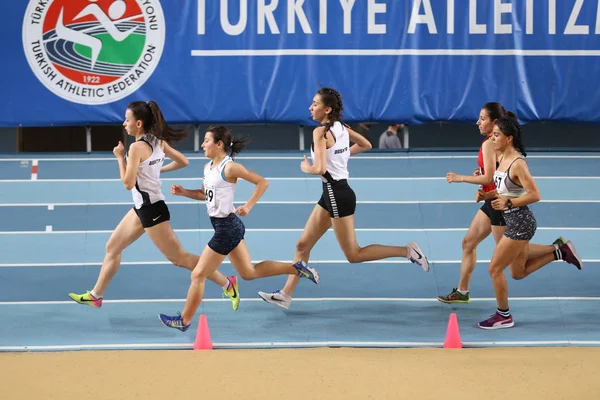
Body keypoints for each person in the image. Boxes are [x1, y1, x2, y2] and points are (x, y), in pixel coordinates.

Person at [257, 87, 430, 310]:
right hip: (331, 194)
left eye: (315, 104)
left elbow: (319, 167)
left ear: (327, 109)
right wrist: (342, 153)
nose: (310, 107)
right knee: (302, 244)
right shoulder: (341, 127)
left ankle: (407, 251)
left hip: (337, 195)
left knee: (354, 254)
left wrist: (306, 168)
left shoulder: (319, 132)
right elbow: (367, 144)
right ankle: (285, 295)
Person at [68, 101, 239, 311]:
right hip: (142, 208)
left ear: (138, 123)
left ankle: (227, 283)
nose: (124, 124)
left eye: (127, 120)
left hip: (152, 211)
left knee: (180, 258)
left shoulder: (136, 148)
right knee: (112, 247)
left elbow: (127, 183)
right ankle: (96, 295)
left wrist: (120, 158)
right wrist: (156, 170)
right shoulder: (158, 142)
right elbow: (183, 161)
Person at [158, 126, 319, 331]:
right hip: (227, 226)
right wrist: (184, 192)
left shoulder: (230, 167)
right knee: (249, 273)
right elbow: (204, 194)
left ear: (219, 144)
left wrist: (248, 205)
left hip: (226, 228)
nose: (202, 145)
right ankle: (296, 268)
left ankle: (185, 320)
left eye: (206, 140)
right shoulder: (208, 167)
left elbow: (262, 182)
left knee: (198, 275)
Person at [438, 102, 579, 304]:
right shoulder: (494, 143)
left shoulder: (492, 144)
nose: (478, 122)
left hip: (500, 205)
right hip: (492, 201)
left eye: (483, 119)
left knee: (511, 259)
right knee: (469, 243)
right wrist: (483, 175)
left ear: (496, 123)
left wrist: (462, 177)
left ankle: (557, 250)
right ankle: (462, 290)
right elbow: (493, 174)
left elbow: (491, 178)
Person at [478, 112, 582, 329]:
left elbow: (535, 194)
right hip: (513, 219)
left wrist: (508, 204)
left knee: (494, 269)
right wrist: (487, 196)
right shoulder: (501, 157)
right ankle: (559, 252)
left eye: (496, 135)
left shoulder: (517, 163)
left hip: (520, 223)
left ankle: (503, 315)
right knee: (518, 272)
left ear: (509, 139)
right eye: (492, 135)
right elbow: (504, 188)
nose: (492, 139)